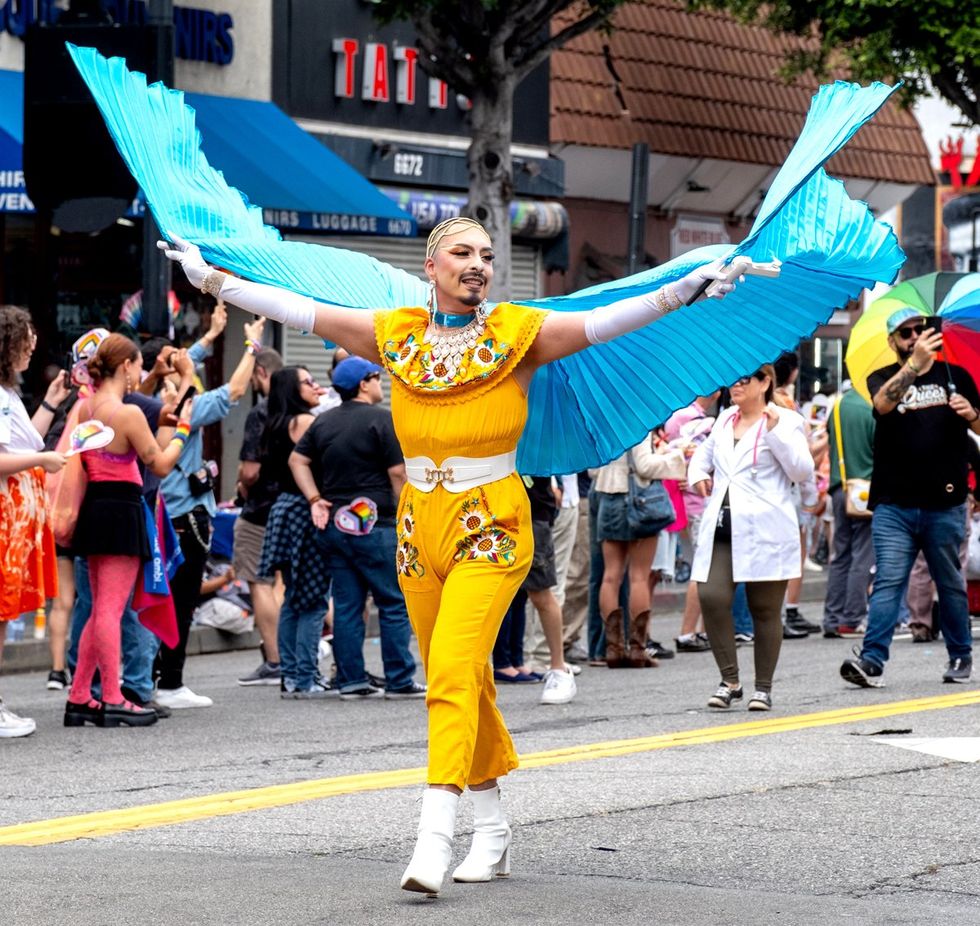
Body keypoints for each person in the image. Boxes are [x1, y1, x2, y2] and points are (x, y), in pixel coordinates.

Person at [160, 216, 734, 894]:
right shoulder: (393, 333)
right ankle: (492, 828)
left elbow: (606, 320)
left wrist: (682, 288)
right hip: (417, 532)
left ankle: (434, 837)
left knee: (452, 676)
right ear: (430, 267)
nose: (479, 265)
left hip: (491, 525)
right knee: (463, 683)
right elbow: (299, 307)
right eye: (462, 253)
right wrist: (216, 281)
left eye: (487, 256)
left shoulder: (516, 334)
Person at [841, 309, 978, 688]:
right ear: (893, 341)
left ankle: (960, 656)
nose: (914, 337)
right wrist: (915, 366)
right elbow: (883, 405)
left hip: (945, 503)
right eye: (906, 333)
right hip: (894, 504)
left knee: (949, 582)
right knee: (888, 581)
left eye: (920, 330)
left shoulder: (956, 376)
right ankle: (871, 661)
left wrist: (972, 413)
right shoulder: (882, 377)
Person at [65, 333, 192, 728]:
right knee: (109, 608)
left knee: (98, 607)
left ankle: (80, 695)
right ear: (126, 367)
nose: (141, 373)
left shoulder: (86, 409)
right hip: (121, 509)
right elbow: (159, 462)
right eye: (138, 366)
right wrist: (183, 429)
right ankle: (114, 697)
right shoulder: (127, 414)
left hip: (96, 507)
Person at [290, 355, 425, 700]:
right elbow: (398, 473)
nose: (381, 383)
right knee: (393, 602)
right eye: (376, 377)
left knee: (347, 604)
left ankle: (351, 681)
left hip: (336, 524)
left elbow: (297, 459)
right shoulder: (382, 421)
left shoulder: (323, 422)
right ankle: (399, 679)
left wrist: (314, 497)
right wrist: (409, 517)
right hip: (377, 525)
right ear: (363, 384)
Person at [154, 311, 265, 709]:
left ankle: (145, 677)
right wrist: (251, 345)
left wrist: (214, 334)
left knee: (157, 598)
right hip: (186, 517)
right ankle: (169, 681)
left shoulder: (144, 403)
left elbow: (189, 362)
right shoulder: (183, 406)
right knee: (180, 602)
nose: (187, 361)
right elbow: (234, 391)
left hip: (162, 514)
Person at [688, 365, 815, 712]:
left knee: (764, 608)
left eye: (745, 379)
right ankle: (730, 680)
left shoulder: (786, 421)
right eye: (732, 378)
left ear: (765, 382)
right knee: (711, 596)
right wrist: (698, 474)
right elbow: (702, 457)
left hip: (765, 528)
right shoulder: (725, 419)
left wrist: (775, 433)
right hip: (724, 526)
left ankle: (763, 687)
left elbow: (801, 470)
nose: (735, 385)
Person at [0, 305, 69, 737]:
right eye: (26, 340)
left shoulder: (9, 395)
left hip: (16, 517)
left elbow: (25, 440)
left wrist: (50, 403)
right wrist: (43, 459)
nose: (32, 348)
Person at [256, 366, 330, 698]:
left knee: (293, 598)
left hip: (284, 509)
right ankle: (305, 676)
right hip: (306, 509)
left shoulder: (274, 422)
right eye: (307, 381)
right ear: (291, 389)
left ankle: (291, 674)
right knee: (312, 599)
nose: (316, 385)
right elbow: (323, 460)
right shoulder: (304, 422)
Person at [593, 434, 686, 668]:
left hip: (608, 499)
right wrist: (674, 457)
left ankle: (613, 649)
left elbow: (592, 471)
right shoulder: (636, 422)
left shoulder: (602, 421)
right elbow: (644, 465)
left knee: (610, 576)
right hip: (638, 502)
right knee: (638, 577)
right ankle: (637, 648)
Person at [233, 346, 285, 686]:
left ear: (262, 373)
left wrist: (241, 482)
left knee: (258, 580)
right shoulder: (301, 409)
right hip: (293, 505)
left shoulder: (261, 412)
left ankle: (274, 657)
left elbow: (250, 471)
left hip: (261, 508)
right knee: (285, 581)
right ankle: (294, 654)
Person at [664, 393, 718, 654]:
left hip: (684, 500)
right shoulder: (694, 419)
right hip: (697, 501)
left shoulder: (677, 415)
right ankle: (688, 632)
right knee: (703, 567)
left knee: (703, 565)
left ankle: (702, 630)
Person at [822, 384, 875, 638]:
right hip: (865, 489)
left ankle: (831, 618)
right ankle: (851, 618)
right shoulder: (872, 406)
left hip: (839, 487)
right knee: (863, 555)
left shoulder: (838, 405)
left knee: (840, 554)